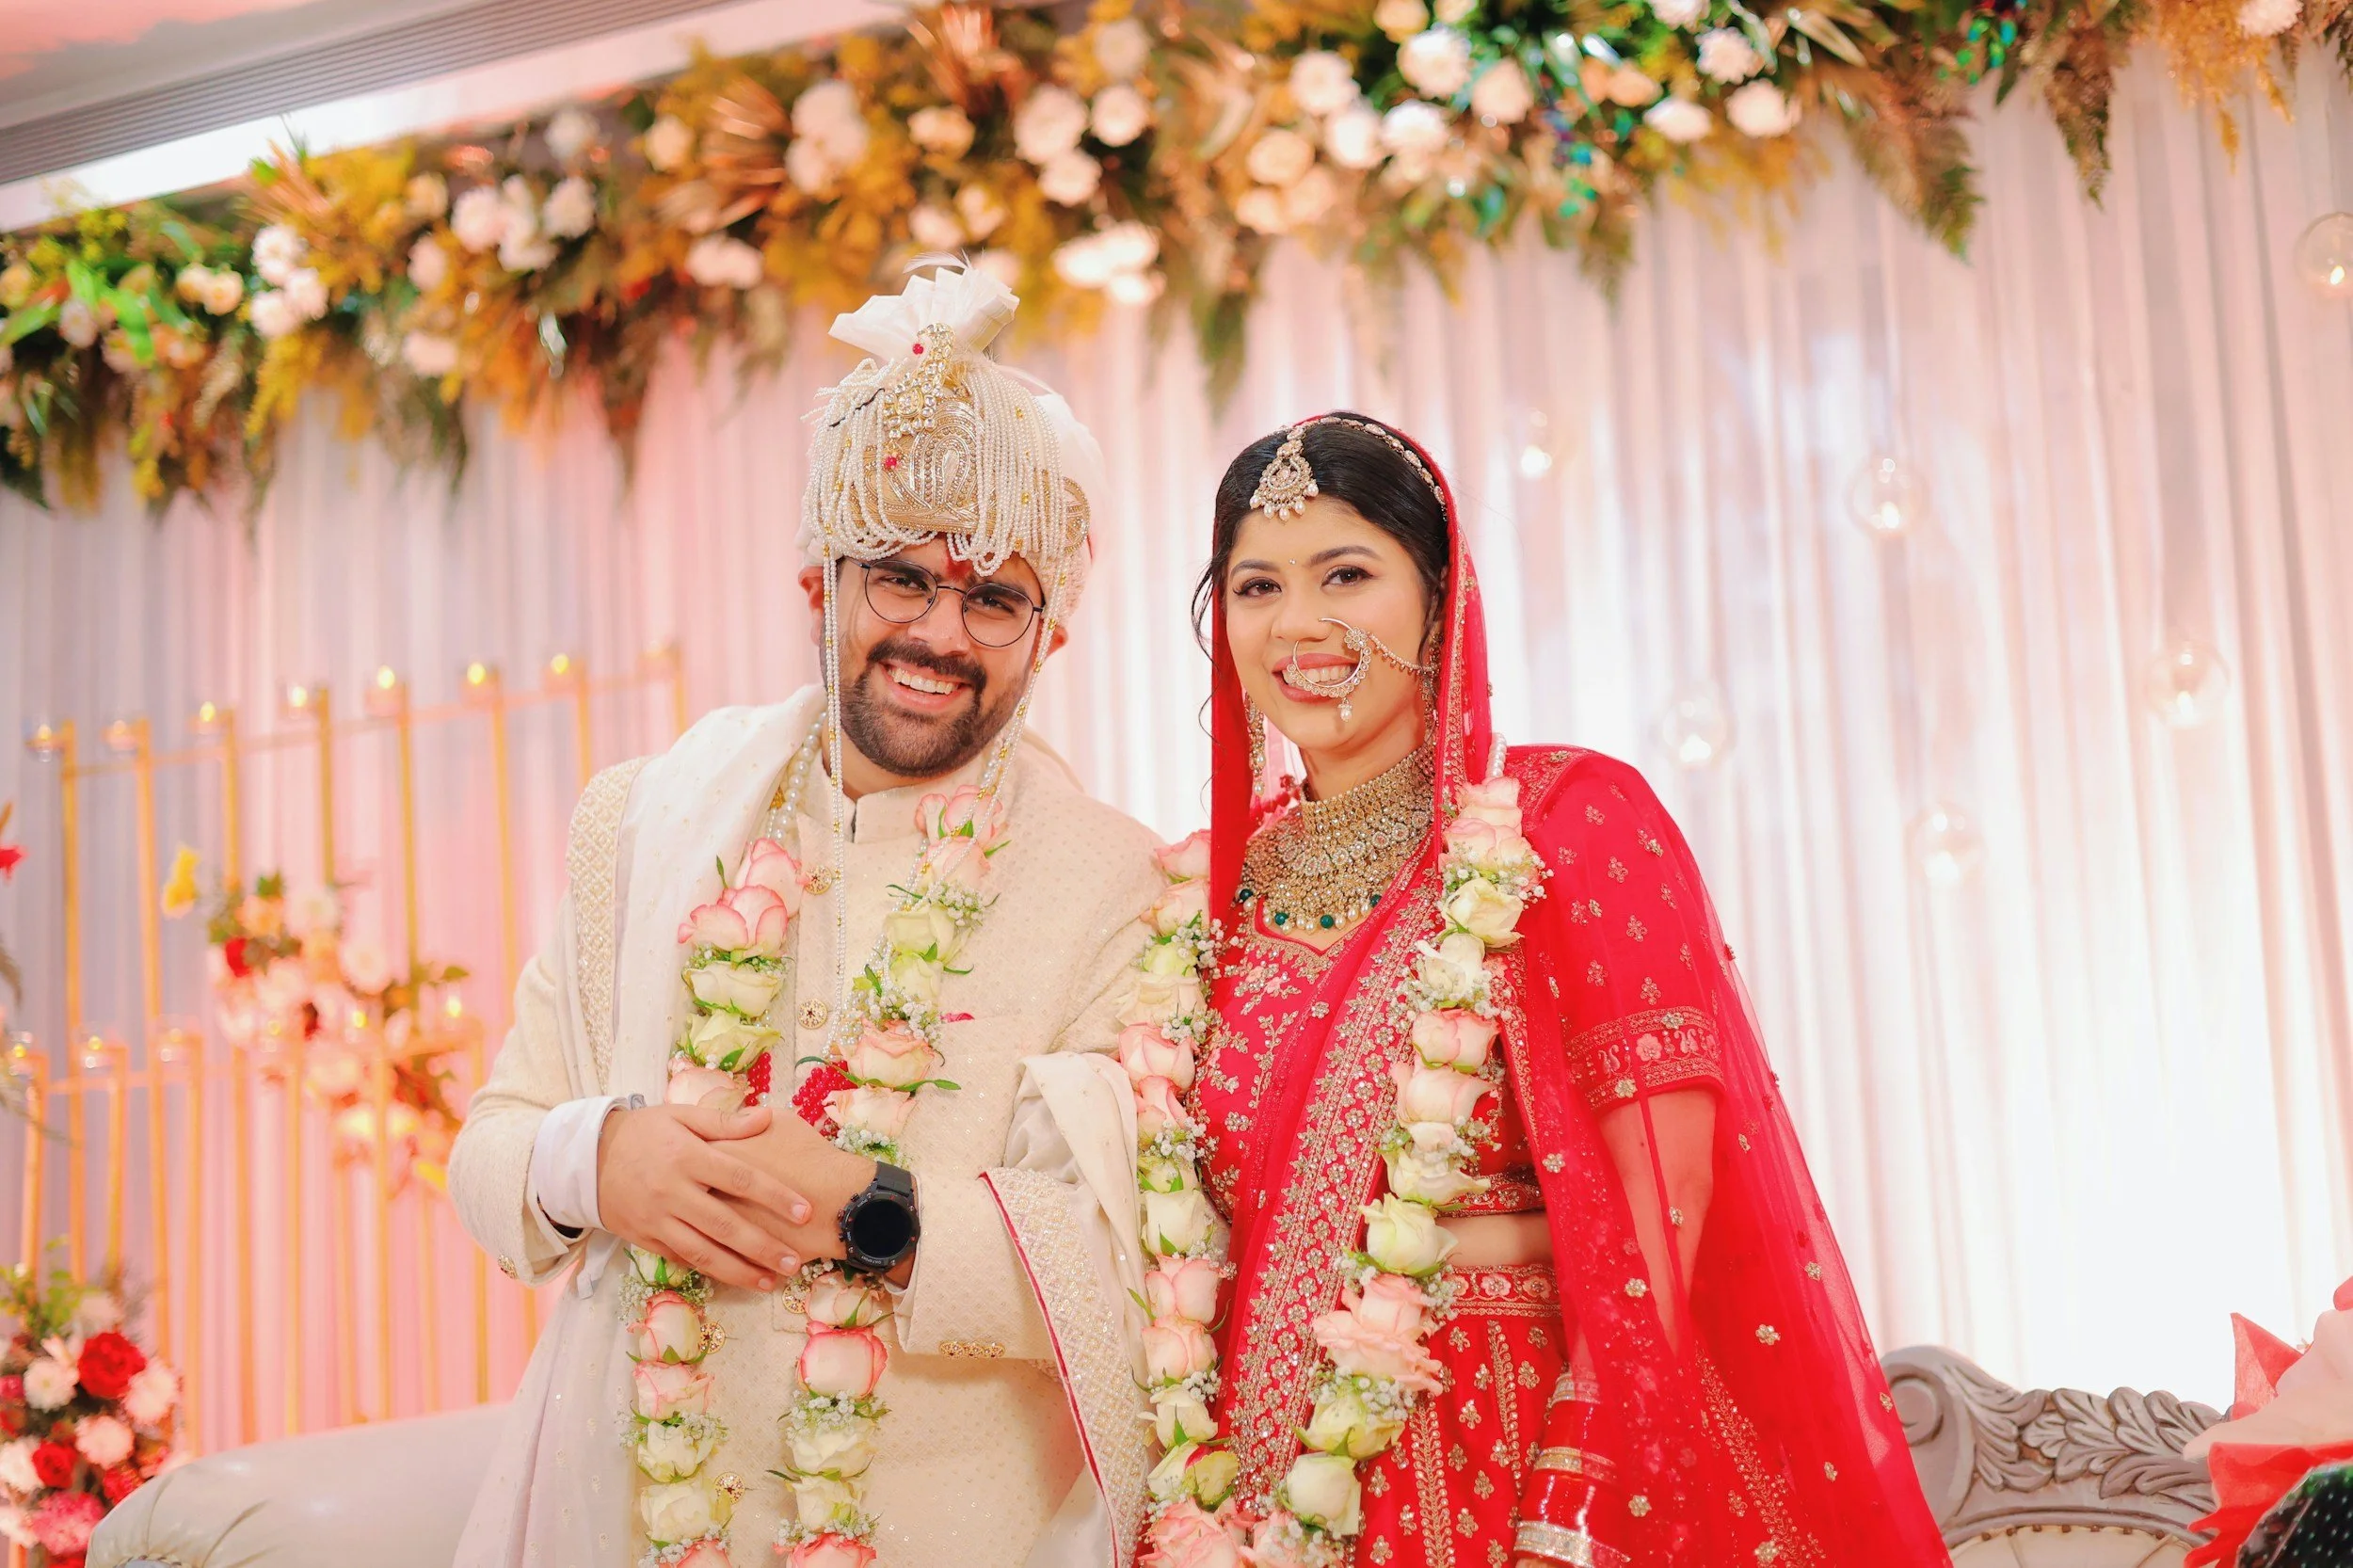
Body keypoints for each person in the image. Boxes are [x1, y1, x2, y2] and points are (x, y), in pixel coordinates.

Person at [1026, 414, 1950, 1568]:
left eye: (1347, 574)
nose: (1300, 623)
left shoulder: (1565, 822)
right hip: (1256, 1482)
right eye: (1257, 585)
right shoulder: (1204, 899)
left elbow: (1666, 1189)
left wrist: (1579, 1479)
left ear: (1439, 596)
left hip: (1507, 1462)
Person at [445, 262, 1167, 1568]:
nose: (938, 631)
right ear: (816, 582)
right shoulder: (644, 822)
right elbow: (490, 1149)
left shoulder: (1115, 885)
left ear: (1047, 638)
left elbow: (1119, 1269)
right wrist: (598, 1160)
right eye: (898, 578)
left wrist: (864, 1206)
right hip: (640, 1524)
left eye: (994, 596)